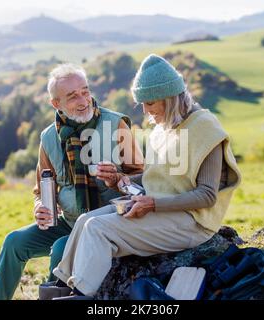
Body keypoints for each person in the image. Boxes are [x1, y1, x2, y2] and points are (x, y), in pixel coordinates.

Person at [52, 54, 242, 299]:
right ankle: (59, 287)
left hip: (193, 223)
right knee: (85, 221)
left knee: (98, 229)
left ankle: (81, 295)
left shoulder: (205, 128)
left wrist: (152, 204)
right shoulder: (162, 129)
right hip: (163, 212)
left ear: (168, 98)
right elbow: (157, 178)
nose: (145, 110)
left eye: (150, 103)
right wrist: (121, 180)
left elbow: (206, 196)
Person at [0, 63, 144, 300]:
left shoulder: (117, 125)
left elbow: (143, 181)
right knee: (14, 242)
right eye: (72, 96)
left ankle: (53, 297)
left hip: (106, 225)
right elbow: (41, 189)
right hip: (69, 221)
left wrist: (118, 179)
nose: (83, 100)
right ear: (56, 104)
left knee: (61, 248)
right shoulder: (49, 137)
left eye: (85, 91)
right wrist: (40, 206)